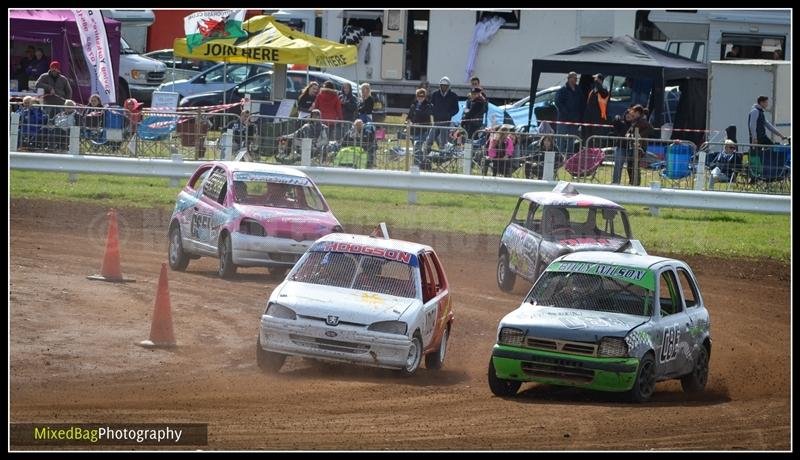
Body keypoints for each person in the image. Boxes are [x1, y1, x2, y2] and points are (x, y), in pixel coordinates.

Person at [623, 104, 654, 186]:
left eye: (634, 111)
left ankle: (636, 183)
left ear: (638, 112)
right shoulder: (635, 121)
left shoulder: (642, 121)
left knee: (635, 165)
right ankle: (632, 182)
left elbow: (650, 129)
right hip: (632, 146)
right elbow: (630, 131)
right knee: (630, 165)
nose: (632, 113)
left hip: (639, 147)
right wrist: (629, 134)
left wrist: (639, 135)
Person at [554, 71, 583, 154]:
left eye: (576, 78)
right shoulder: (562, 90)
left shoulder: (578, 90)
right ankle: (559, 156)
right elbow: (558, 102)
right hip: (563, 119)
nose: (576, 80)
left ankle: (570, 157)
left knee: (571, 139)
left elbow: (581, 103)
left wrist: (579, 116)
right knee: (561, 139)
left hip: (574, 120)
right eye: (574, 78)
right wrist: (566, 112)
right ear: (569, 78)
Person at [428, 76, 459, 150]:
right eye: (442, 85)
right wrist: (434, 113)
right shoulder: (435, 94)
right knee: (430, 138)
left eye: (446, 86)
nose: (444, 87)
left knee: (443, 141)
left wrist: (449, 114)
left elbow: (456, 109)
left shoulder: (453, 96)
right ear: (440, 85)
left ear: (448, 86)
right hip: (436, 121)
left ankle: (443, 154)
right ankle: (427, 152)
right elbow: (431, 106)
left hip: (446, 122)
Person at [582, 73, 610, 140]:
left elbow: (603, 93)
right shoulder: (593, 89)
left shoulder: (604, 89)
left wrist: (598, 83)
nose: (594, 80)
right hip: (589, 117)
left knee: (596, 137)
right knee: (588, 137)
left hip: (598, 118)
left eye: (596, 79)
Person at [611, 107, 633, 184]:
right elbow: (614, 124)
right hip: (620, 147)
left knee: (631, 167)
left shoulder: (635, 124)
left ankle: (633, 183)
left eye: (630, 114)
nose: (628, 115)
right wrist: (616, 118)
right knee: (618, 166)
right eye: (627, 113)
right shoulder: (621, 123)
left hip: (631, 148)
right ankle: (615, 183)